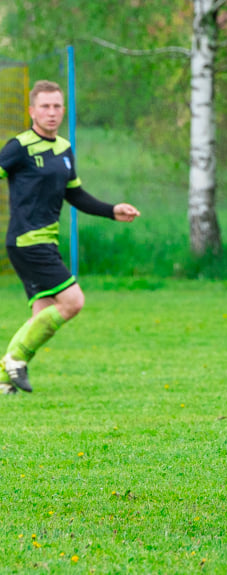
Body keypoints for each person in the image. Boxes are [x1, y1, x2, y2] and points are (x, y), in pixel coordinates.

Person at [0, 80, 140, 395]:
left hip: (45, 241)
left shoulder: (63, 149)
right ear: (32, 110)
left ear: (63, 110)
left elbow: (74, 194)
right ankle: (15, 359)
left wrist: (111, 210)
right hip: (27, 241)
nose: (51, 112)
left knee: (43, 312)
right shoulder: (19, 147)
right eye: (45, 106)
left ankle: (4, 380)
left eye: (57, 106)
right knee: (73, 301)